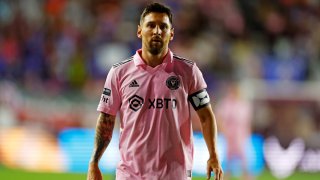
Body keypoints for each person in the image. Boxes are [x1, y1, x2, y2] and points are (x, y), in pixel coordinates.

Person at [87, 2, 223, 180]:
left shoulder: (188, 72)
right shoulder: (119, 73)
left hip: (175, 175)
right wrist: (94, 163)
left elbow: (206, 115)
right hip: (131, 175)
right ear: (139, 31)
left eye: (163, 26)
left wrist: (213, 154)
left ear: (171, 33)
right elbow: (106, 119)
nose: (157, 31)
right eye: (151, 25)